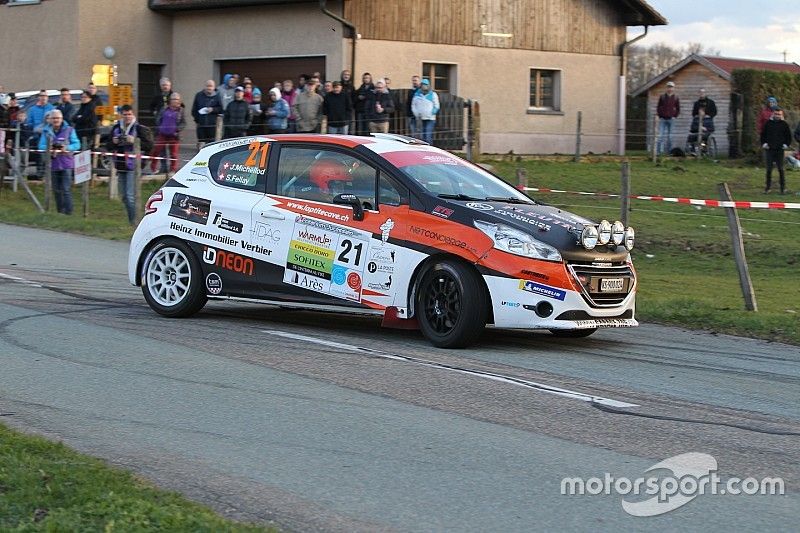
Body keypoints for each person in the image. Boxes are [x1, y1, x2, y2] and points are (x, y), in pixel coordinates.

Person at [107, 105, 153, 224]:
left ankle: (135, 222)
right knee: (124, 196)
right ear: (121, 115)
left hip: (133, 166)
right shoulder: (116, 128)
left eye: (129, 114)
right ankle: (131, 220)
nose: (127, 117)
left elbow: (149, 146)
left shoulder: (139, 128)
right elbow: (108, 146)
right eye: (125, 114)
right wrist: (113, 142)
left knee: (130, 195)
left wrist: (134, 141)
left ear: (133, 115)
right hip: (120, 164)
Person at [38, 109, 80, 215]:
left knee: (66, 189)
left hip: (66, 162)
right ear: (50, 120)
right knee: (56, 189)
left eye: (58, 118)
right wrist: (50, 147)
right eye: (54, 118)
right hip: (53, 163)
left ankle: (69, 212)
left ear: (62, 119)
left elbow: (77, 144)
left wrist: (67, 147)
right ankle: (60, 212)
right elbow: (41, 145)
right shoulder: (46, 131)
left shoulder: (69, 130)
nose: (56, 120)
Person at [151, 92, 186, 174]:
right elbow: (158, 119)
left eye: (177, 99)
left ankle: (172, 170)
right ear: (170, 100)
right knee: (156, 150)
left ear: (179, 101)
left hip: (174, 136)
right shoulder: (164, 109)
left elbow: (183, 123)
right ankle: (153, 168)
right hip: (162, 134)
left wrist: (177, 129)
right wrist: (160, 127)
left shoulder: (181, 111)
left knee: (173, 154)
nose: (175, 101)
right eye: (173, 99)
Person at [761, 107, 792, 194]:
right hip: (769, 149)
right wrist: (764, 144)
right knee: (769, 169)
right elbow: (763, 135)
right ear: (773, 114)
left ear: (781, 115)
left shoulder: (784, 124)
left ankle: (783, 188)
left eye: (779, 114)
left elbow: (788, 136)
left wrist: (786, 144)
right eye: (776, 114)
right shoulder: (768, 123)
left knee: (781, 169)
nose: (777, 116)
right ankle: (767, 188)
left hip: (780, 150)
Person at [191, 80, 222, 147]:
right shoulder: (199, 95)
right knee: (201, 145)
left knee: (211, 145)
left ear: (214, 87)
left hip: (212, 126)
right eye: (208, 86)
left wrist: (213, 109)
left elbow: (221, 109)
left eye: (211, 86)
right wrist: (198, 120)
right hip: (201, 125)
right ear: (205, 86)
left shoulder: (217, 96)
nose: (209, 88)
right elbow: (194, 110)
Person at [688, 89, 716, 154]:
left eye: (703, 92)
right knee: (691, 137)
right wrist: (699, 128)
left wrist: (705, 128)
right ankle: (692, 151)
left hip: (706, 133)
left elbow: (712, 129)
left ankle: (704, 150)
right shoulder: (696, 104)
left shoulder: (711, 103)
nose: (702, 94)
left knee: (705, 137)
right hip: (697, 132)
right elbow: (692, 129)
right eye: (700, 92)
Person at [411, 78, 439, 144]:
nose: (424, 86)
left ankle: (429, 148)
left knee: (428, 135)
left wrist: (432, 113)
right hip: (419, 118)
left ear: (428, 85)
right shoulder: (417, 94)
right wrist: (416, 113)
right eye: (423, 84)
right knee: (421, 136)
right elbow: (413, 105)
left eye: (426, 84)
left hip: (430, 118)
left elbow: (436, 105)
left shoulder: (433, 94)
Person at [656, 81, 680, 155]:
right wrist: (660, 115)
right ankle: (658, 152)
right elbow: (658, 107)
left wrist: (674, 116)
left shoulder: (676, 98)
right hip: (663, 119)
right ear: (666, 88)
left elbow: (678, 109)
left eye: (671, 87)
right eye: (669, 87)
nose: (670, 89)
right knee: (660, 136)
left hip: (671, 119)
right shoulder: (662, 97)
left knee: (670, 137)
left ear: (673, 88)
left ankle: (669, 152)